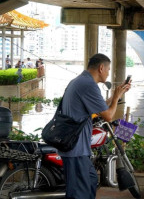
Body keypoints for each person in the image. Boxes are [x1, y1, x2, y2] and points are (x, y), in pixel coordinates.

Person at [58, 53, 131, 199]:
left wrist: (118, 94)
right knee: (80, 193)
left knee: (91, 180)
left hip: (76, 146)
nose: (109, 73)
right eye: (108, 69)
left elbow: (101, 107)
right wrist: (116, 98)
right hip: (75, 148)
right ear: (101, 68)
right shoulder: (88, 85)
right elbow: (108, 116)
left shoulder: (81, 81)